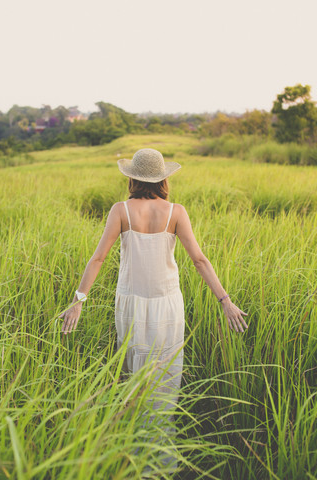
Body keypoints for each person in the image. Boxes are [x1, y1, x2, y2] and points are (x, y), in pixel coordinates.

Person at [59, 147, 248, 470]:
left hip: (131, 301)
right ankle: (160, 455)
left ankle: (135, 453)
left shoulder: (121, 210)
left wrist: (79, 300)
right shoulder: (176, 211)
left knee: (134, 373)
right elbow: (199, 260)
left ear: (132, 178)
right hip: (167, 304)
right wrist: (225, 300)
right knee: (165, 374)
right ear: (163, 179)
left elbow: (98, 258)